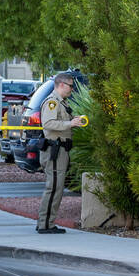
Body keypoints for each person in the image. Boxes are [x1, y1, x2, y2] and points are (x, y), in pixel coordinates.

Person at [37, 72, 86, 234]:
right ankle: (44, 224)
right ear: (62, 85)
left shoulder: (62, 103)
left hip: (60, 150)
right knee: (53, 188)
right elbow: (49, 123)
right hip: (54, 150)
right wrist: (70, 123)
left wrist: (74, 121)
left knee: (57, 188)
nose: (72, 89)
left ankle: (48, 223)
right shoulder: (52, 102)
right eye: (71, 86)